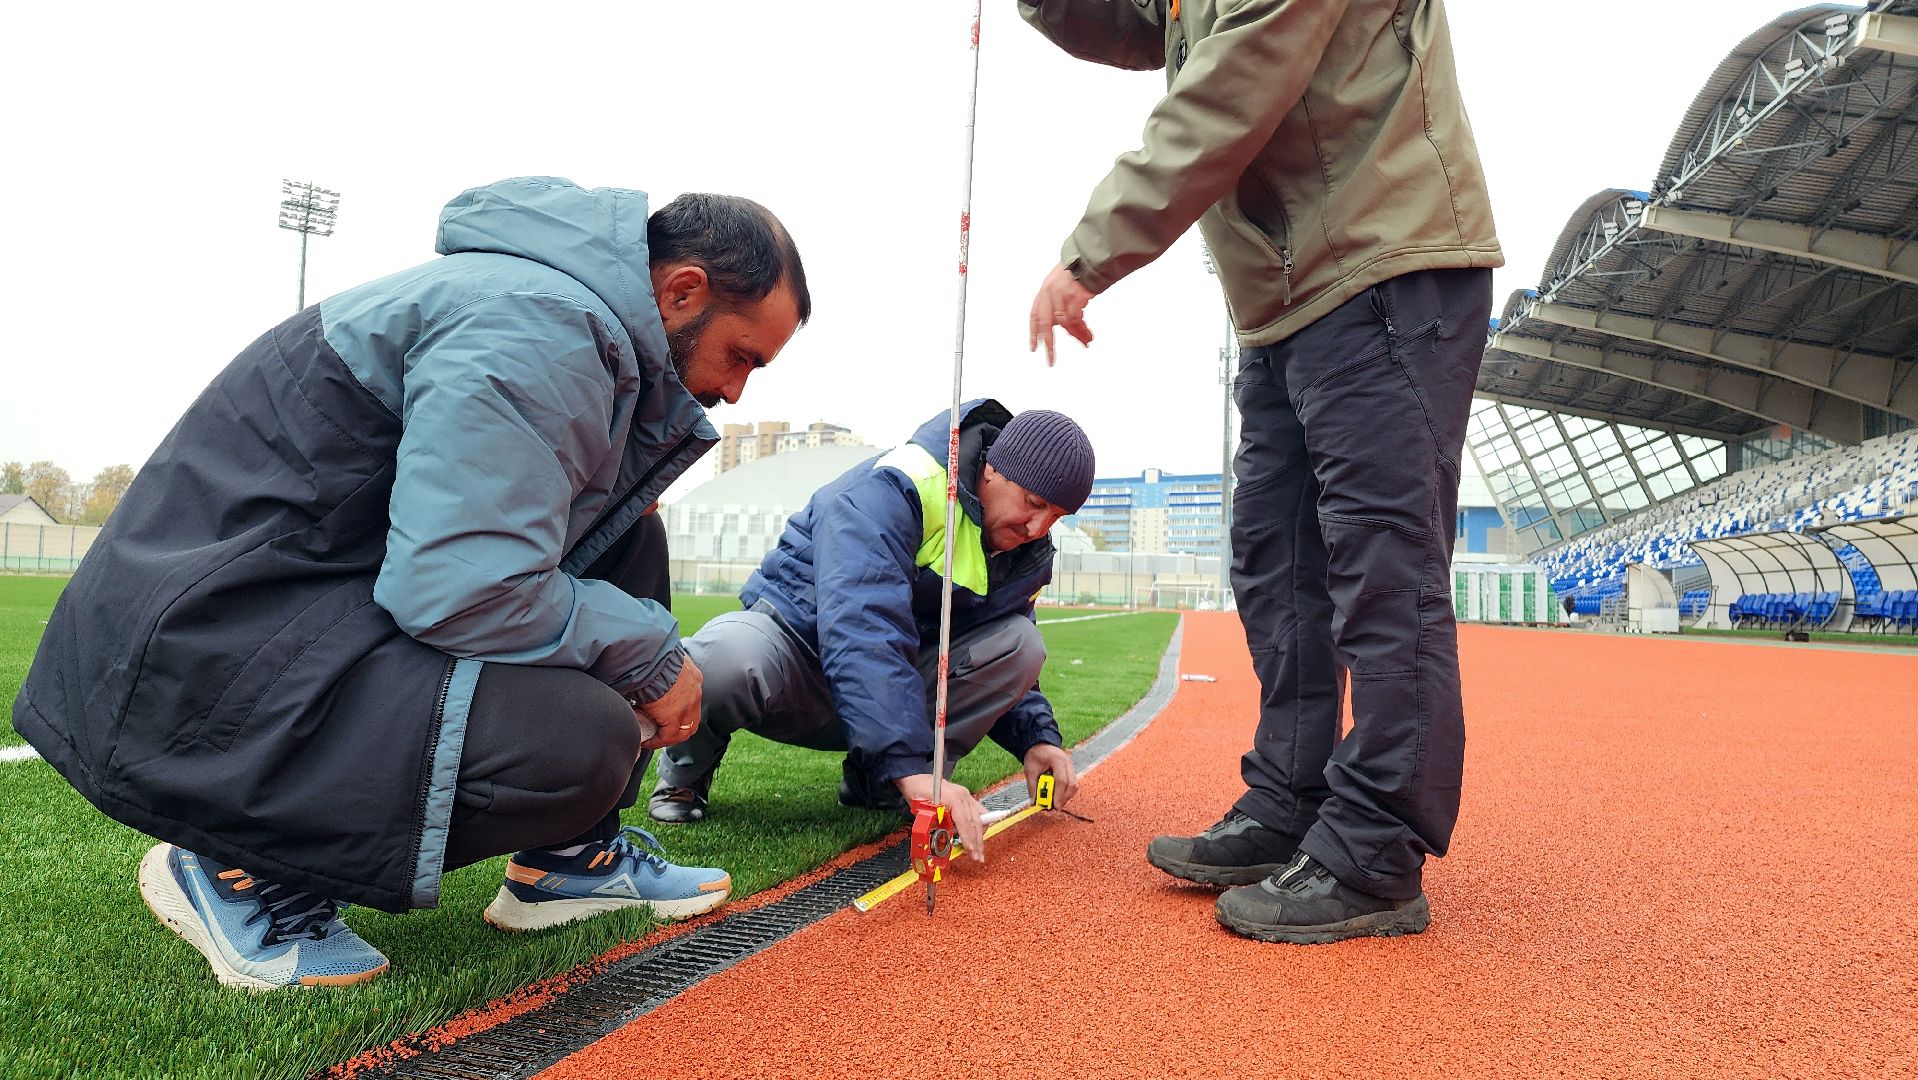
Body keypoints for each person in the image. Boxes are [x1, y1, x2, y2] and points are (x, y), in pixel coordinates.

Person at [11, 177, 811, 988]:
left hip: (282, 615)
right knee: (581, 740)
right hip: (207, 661)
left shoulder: (555, 313)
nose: (738, 391)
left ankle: (569, 860)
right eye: (742, 355)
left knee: (628, 538)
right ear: (682, 291)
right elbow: (455, 588)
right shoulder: (544, 326)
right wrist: (647, 654)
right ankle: (243, 868)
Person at [1018, 0, 1502, 943]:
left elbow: (1231, 83)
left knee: (1382, 572)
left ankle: (1374, 853)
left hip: (1380, 265)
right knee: (1275, 566)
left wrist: (1089, 255)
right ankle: (1293, 800)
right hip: (1288, 299)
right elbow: (1129, 27)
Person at [648, 402, 1091, 859]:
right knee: (724, 658)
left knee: (1021, 644)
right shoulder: (897, 486)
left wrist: (1036, 739)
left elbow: (996, 645)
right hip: (798, 654)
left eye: (1056, 517)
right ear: (994, 469)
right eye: (1034, 504)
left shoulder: (1028, 553)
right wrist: (909, 766)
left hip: (888, 685)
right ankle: (684, 775)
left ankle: (877, 783)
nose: (1039, 528)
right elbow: (863, 626)